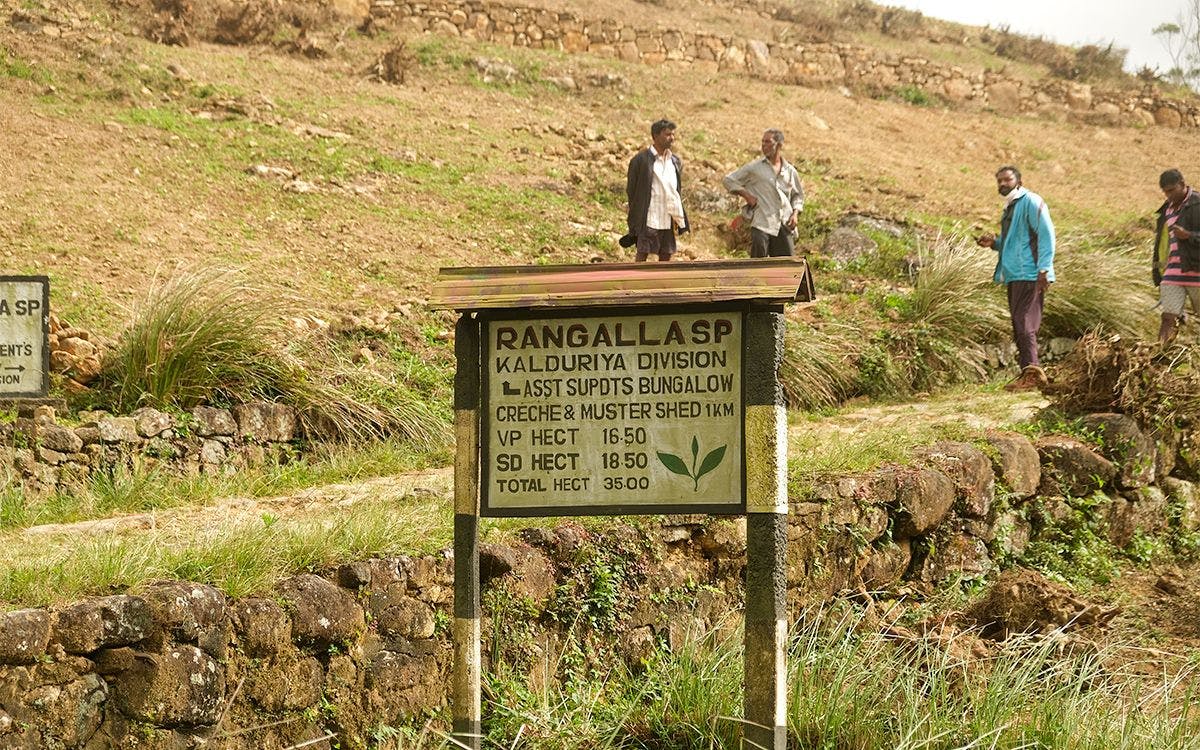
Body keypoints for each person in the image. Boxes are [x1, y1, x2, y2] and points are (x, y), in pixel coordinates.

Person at [976, 165, 1056, 392]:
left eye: (1007, 179)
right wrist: (994, 243)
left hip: (1031, 273)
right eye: (999, 180)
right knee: (1019, 324)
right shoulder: (1010, 207)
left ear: (1018, 180)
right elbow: (1013, 241)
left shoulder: (1031, 201)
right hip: (1014, 274)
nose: (1002, 184)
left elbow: (1047, 234)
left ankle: (1033, 374)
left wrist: (1044, 270)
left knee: (1024, 322)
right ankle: (1028, 373)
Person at [722, 129, 805, 257]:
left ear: (779, 145)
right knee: (758, 262)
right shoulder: (755, 168)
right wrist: (746, 195)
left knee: (786, 264)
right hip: (762, 221)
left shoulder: (790, 171)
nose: (764, 146)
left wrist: (795, 214)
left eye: (768, 142)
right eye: (762, 142)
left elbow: (797, 196)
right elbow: (729, 180)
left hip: (784, 222)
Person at [623, 119, 688, 262]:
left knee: (666, 254)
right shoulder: (641, 160)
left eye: (672, 134)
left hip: (667, 216)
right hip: (649, 217)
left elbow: (676, 189)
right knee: (643, 253)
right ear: (655, 136)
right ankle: (637, 282)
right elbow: (632, 190)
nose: (672, 138)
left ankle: (662, 283)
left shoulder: (674, 161)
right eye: (667, 134)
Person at [1151, 169, 1200, 345]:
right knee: (1168, 317)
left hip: (1197, 272)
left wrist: (1189, 235)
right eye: (1165, 192)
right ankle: (1159, 360)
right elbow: (1161, 244)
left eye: (1171, 190)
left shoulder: (1198, 203)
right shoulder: (1166, 210)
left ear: (1182, 183)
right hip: (1172, 273)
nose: (1168, 195)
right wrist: (1157, 271)